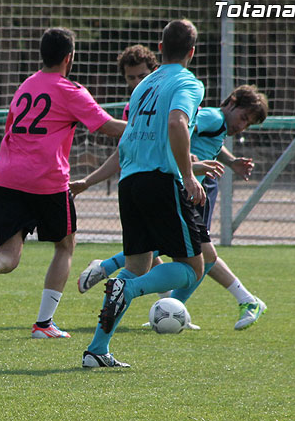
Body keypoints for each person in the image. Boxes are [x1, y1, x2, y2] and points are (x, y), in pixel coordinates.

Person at [76, 52, 269, 330]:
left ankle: (174, 308)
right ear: (232, 102)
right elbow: (181, 130)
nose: (242, 126)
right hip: (178, 185)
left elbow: (197, 135)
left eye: (248, 124)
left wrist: (229, 161)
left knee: (184, 254)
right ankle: (112, 271)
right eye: (244, 118)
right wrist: (191, 165)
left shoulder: (215, 122)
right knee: (194, 257)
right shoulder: (210, 114)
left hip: (177, 186)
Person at [0, 28, 127, 339]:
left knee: (9, 255)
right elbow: (106, 126)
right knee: (65, 246)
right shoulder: (70, 90)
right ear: (69, 57)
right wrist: (146, 127)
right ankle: (43, 324)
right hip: (46, 179)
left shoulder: (26, 85)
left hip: (7, 176)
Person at [78, 19, 208, 368]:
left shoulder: (142, 86)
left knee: (135, 267)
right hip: (159, 181)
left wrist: (91, 181)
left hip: (130, 182)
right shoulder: (187, 82)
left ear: (160, 48)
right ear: (192, 52)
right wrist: (188, 176)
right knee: (193, 268)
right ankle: (130, 290)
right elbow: (177, 123)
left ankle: (97, 349)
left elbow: (128, 139)